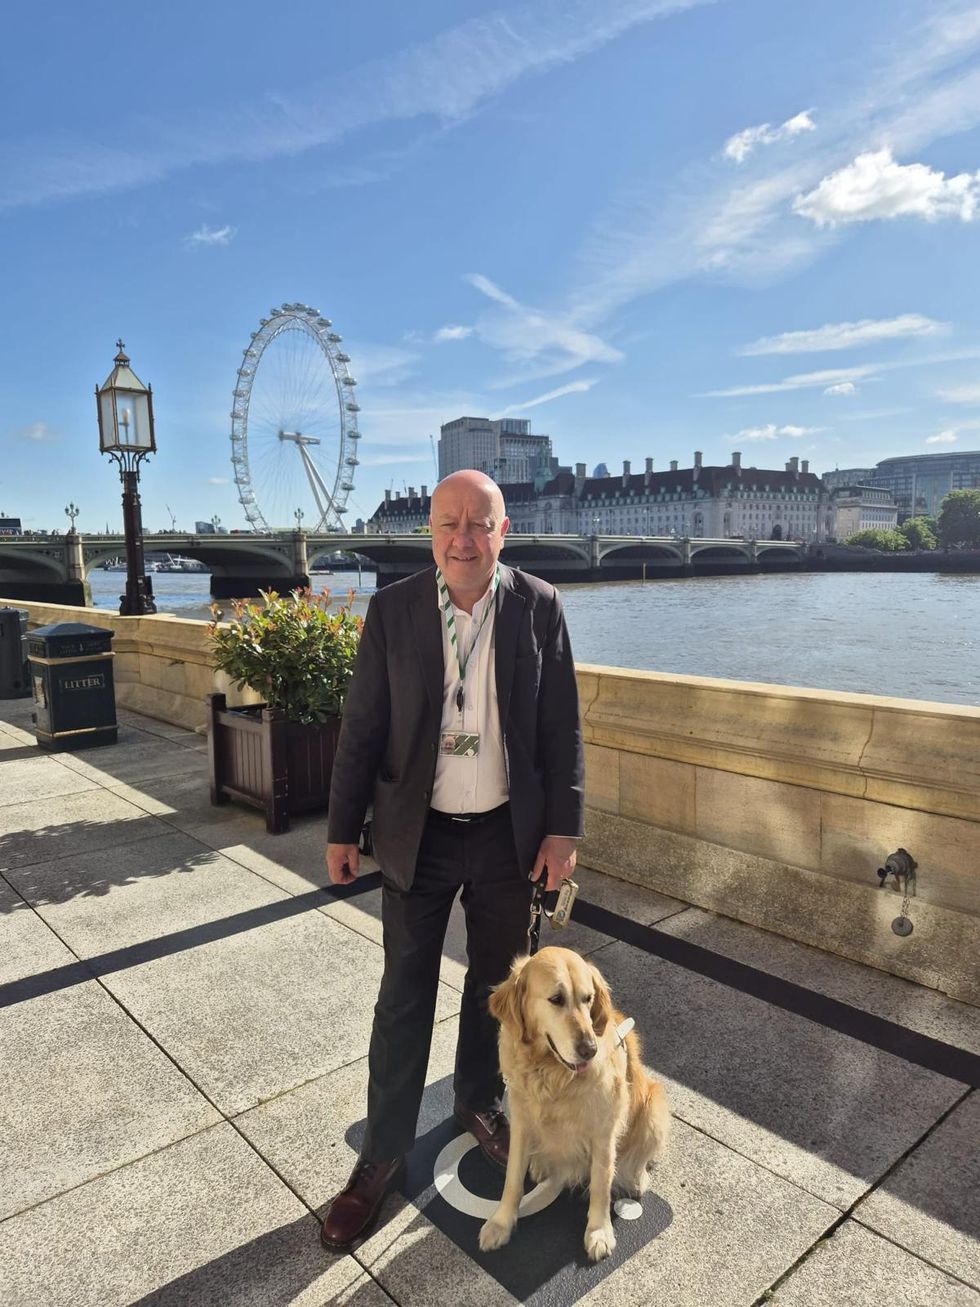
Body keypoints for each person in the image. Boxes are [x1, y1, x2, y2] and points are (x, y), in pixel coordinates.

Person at [320, 469, 584, 1251]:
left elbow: (563, 726)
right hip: (419, 832)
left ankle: (478, 1098)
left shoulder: (539, 605)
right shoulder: (394, 609)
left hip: (509, 833)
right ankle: (382, 1154)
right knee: (402, 992)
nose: (462, 539)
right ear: (428, 533)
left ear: (505, 531)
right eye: (447, 524)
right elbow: (362, 726)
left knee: (497, 990)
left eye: (479, 524)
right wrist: (342, 828)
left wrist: (562, 830)